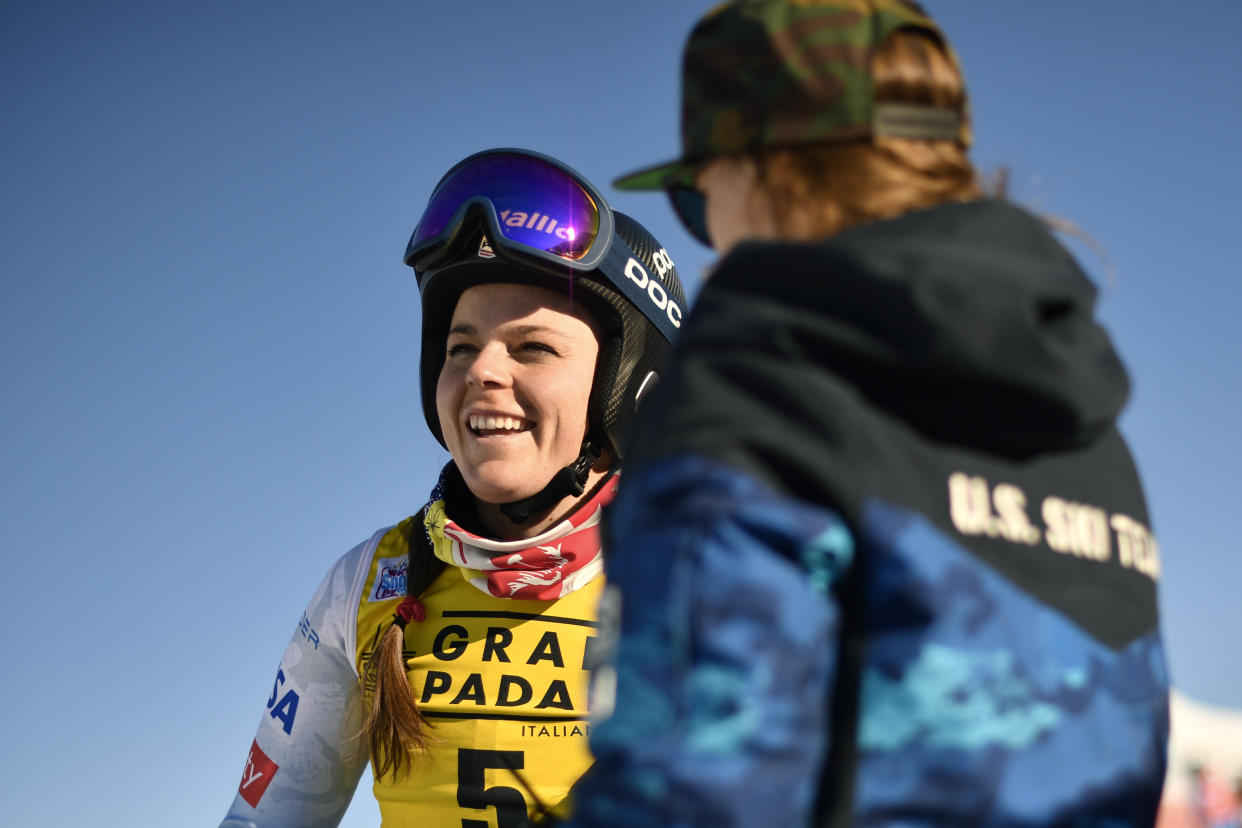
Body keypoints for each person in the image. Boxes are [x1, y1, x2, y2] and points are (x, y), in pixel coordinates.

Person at [567, 1, 1169, 825]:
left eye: (695, 197)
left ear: (768, 169)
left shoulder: (761, 383)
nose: (711, 239)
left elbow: (694, 788)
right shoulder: (1094, 429)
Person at [219, 148, 685, 827]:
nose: (481, 371)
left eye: (532, 348)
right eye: (460, 347)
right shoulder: (369, 581)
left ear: (629, 393)